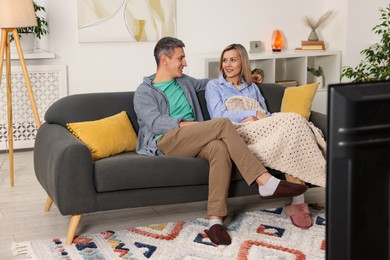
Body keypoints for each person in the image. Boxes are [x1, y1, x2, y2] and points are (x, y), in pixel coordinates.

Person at [133, 37, 308, 245]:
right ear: (165, 59)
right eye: (181, 58)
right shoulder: (145, 91)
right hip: (165, 140)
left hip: (192, 138)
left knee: (219, 148)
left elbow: (215, 82)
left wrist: (248, 77)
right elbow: (156, 123)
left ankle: (215, 221)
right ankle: (264, 180)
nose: (185, 62)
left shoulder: (184, 81)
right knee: (223, 123)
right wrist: (191, 126)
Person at [205, 43, 326, 229]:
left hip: (261, 127)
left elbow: (265, 114)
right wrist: (249, 114)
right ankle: (298, 201)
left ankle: (298, 202)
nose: (227, 64)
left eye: (233, 60)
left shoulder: (252, 87)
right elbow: (218, 116)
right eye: (224, 60)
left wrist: (261, 118)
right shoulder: (214, 86)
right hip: (236, 131)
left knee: (293, 128)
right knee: (290, 125)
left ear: (242, 62)